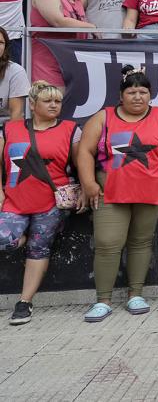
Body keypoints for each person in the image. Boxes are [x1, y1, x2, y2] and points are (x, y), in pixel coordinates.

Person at [76, 66, 158, 321]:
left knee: (141, 241)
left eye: (143, 92)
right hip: (110, 188)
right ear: (121, 95)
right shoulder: (103, 117)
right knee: (107, 242)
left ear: (150, 95)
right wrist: (88, 182)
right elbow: (84, 150)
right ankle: (103, 300)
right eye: (131, 92)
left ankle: (135, 294)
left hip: (150, 187)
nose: (137, 96)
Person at [0, 81, 80, 325]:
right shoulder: (9, 129)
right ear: (33, 105)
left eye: (57, 101)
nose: (55, 105)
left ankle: (24, 302)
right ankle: (19, 237)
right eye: (48, 101)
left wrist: (86, 188)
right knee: (6, 239)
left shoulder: (70, 129)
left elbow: (80, 163)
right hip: (14, 200)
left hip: (51, 202)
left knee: (39, 248)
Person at [30, 0, 93, 87]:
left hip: (74, 60)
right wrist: (92, 27)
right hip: (48, 60)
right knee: (51, 102)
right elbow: (58, 21)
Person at [0, 27, 30, 120]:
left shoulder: (16, 71)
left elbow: (16, 114)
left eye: (0, 42)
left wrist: (7, 134)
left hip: (4, 128)